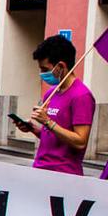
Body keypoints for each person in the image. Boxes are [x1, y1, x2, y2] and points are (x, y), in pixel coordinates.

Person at [14, 34, 93, 175]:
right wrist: (33, 128)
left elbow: (80, 141)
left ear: (61, 66)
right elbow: (52, 136)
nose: (42, 74)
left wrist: (48, 122)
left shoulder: (81, 96)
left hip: (64, 173)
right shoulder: (51, 92)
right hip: (41, 168)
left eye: (45, 69)